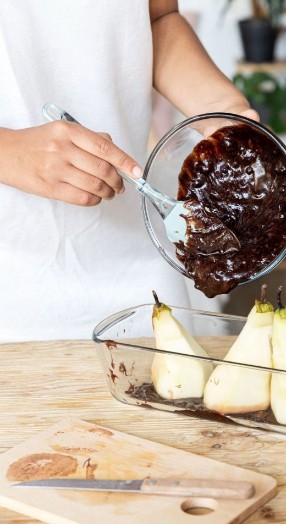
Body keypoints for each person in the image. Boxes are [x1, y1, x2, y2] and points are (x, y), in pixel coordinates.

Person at [0, 0, 258, 342]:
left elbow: (158, 18)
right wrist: (9, 153)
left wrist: (223, 109)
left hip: (142, 285)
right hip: (13, 295)